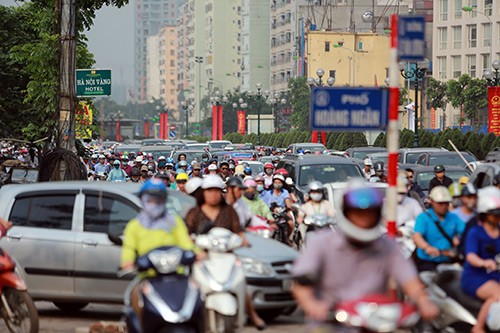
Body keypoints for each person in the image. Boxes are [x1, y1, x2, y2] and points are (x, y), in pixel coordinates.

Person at [291, 181, 439, 331]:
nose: (364, 219)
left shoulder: (387, 246)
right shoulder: (321, 243)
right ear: (346, 213)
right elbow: (300, 283)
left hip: (375, 323)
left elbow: (409, 280)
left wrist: (423, 301)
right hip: (331, 323)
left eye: (370, 213)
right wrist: (313, 305)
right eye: (358, 214)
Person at [183, 175, 267, 330]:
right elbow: (186, 235)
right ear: (204, 193)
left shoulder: (229, 211)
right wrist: (193, 247)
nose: (213, 194)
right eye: (209, 191)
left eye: (216, 191)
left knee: (241, 282)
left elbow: (239, 232)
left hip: (226, 256)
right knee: (189, 284)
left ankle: (252, 315)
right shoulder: (194, 212)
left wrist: (243, 241)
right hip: (203, 257)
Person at [120, 179, 200, 320]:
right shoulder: (134, 226)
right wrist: (128, 262)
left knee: (198, 304)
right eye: (150, 200)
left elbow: (186, 243)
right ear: (143, 200)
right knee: (134, 308)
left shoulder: (174, 221)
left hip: (177, 277)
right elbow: (128, 250)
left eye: (158, 200)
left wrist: (198, 253)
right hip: (148, 278)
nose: (154, 204)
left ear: (164, 201)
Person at [461, 186, 500, 333]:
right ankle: (478, 327)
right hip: (475, 277)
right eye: (494, 214)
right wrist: (484, 262)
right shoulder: (475, 232)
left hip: (495, 275)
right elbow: (470, 256)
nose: (497, 217)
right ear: (485, 214)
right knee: (498, 293)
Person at [413, 186, 465, 271]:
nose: (443, 206)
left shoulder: (453, 217)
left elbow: (466, 232)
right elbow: (417, 236)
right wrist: (427, 247)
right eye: (440, 203)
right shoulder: (423, 218)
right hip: (427, 262)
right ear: (432, 202)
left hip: (448, 261)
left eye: (446, 203)